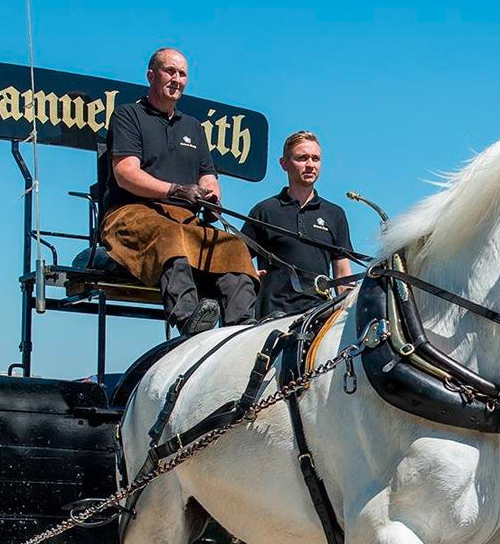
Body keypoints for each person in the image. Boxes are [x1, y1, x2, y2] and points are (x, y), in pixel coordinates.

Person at [100, 47, 258, 335]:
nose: (176, 79)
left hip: (185, 219)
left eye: (182, 73)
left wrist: (211, 197)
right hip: (131, 214)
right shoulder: (129, 115)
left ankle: (241, 330)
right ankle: (190, 320)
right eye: (169, 71)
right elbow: (125, 173)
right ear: (151, 75)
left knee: (233, 246)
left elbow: (208, 175)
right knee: (170, 235)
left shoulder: (193, 127)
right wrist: (174, 189)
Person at [242, 131, 354, 319]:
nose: (310, 164)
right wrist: (247, 273)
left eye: (315, 158)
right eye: (302, 158)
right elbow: (238, 257)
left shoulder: (335, 214)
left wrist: (352, 309)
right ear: (284, 164)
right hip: (272, 318)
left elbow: (342, 274)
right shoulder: (264, 210)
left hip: (319, 316)